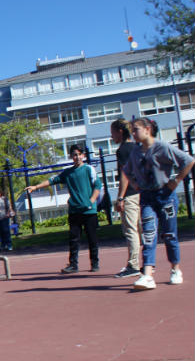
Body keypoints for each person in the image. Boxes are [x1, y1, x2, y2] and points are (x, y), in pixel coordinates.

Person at [117, 117, 195, 290]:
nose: (133, 133)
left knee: (169, 234)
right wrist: (136, 184)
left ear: (147, 129)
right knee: (149, 235)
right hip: (146, 198)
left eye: (136, 129)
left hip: (165, 195)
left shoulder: (162, 147)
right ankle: (147, 275)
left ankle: (175, 269)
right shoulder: (135, 152)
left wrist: (176, 180)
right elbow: (126, 170)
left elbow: (188, 161)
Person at [25, 145, 101, 273]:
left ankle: (94, 263)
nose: (76, 157)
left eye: (78, 154)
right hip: (74, 211)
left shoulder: (89, 169)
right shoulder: (68, 172)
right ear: (71, 157)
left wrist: (91, 201)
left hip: (89, 211)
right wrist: (36, 187)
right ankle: (73, 265)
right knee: (73, 239)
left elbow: (97, 186)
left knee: (92, 238)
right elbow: (52, 180)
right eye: (74, 155)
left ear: (83, 155)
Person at [110, 119, 142, 278]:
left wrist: (120, 197)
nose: (111, 135)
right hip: (142, 192)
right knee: (141, 229)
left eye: (113, 132)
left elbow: (124, 174)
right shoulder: (137, 147)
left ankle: (134, 265)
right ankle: (148, 263)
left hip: (130, 194)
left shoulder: (122, 150)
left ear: (120, 131)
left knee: (131, 230)